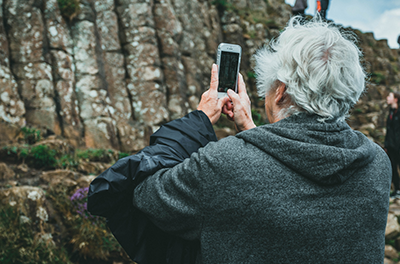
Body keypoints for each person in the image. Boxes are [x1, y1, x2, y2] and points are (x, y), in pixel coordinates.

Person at [91, 17, 391, 263]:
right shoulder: (376, 165)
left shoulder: (226, 165)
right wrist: (251, 129)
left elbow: (146, 195)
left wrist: (197, 122)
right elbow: (287, 179)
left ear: (281, 92)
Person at [385, 91, 400, 197]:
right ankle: (397, 190)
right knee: (393, 168)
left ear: (396, 99)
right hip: (391, 147)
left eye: (389, 96)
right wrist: (386, 145)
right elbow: (389, 131)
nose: (387, 98)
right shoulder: (390, 112)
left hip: (398, 146)